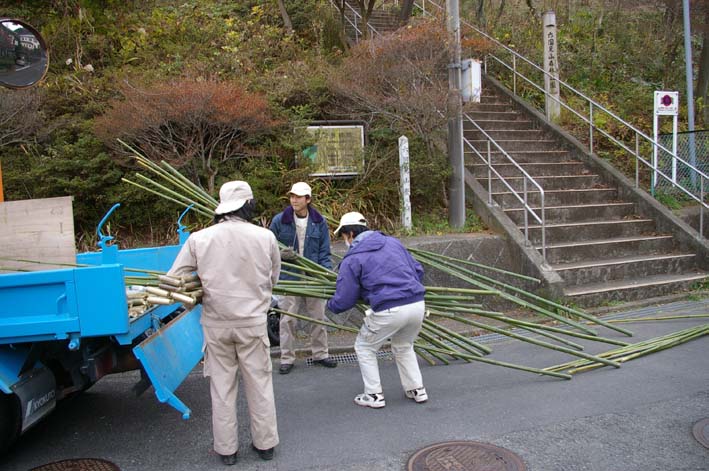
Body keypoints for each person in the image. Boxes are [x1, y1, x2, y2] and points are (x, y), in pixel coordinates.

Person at [167, 181, 280, 466]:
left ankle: (227, 450)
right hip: (253, 322)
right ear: (247, 205)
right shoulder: (264, 236)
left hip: (216, 323)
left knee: (222, 388)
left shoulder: (199, 238)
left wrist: (197, 299)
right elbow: (273, 277)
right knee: (259, 383)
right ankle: (265, 445)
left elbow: (175, 280)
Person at [326, 212, 428, 409]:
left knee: (364, 347)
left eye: (344, 236)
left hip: (389, 309)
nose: (344, 241)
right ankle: (417, 389)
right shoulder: (392, 243)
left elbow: (345, 297)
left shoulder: (353, 258)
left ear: (351, 233)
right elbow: (418, 269)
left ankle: (373, 395)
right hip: (417, 304)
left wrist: (330, 304)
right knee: (404, 345)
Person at [269, 182, 337, 374]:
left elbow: (324, 252)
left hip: (313, 277)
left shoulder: (318, 221)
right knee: (288, 320)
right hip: (289, 278)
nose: (294, 200)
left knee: (318, 317)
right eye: (292, 196)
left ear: (308, 199)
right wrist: (282, 255)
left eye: (298, 197)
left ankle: (321, 354)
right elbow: (268, 247)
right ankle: (287, 358)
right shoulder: (279, 220)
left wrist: (326, 274)